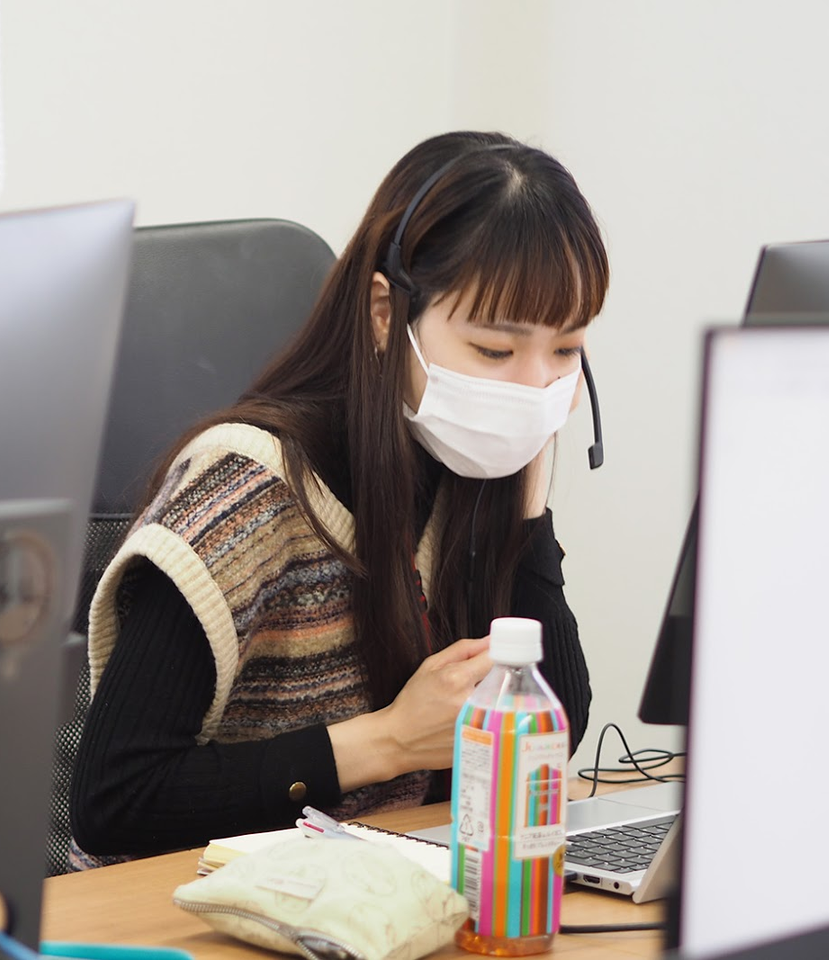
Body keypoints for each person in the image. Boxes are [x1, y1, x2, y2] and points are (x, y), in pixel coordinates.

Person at [69, 130, 608, 863]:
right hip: (199, 902)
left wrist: (527, 500)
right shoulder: (249, 488)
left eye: (566, 349)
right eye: (494, 350)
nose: (535, 384)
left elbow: (549, 730)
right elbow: (114, 801)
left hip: (377, 891)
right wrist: (390, 741)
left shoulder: (468, 473)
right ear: (387, 314)